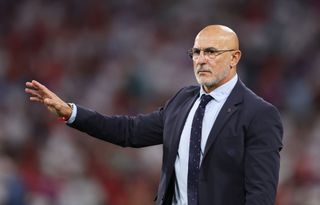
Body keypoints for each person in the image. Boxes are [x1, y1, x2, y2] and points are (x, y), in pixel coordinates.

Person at [25, 25, 283, 205]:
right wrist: (72, 113)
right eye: (196, 52)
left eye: (211, 52)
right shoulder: (183, 100)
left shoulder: (259, 114)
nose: (201, 60)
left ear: (234, 57)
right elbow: (130, 132)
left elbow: (261, 194)